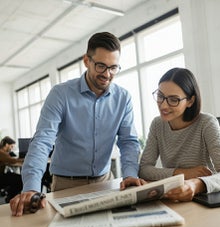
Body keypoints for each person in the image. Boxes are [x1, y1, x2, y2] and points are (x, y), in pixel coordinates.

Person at [10, 32, 143, 216]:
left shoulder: (123, 98)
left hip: (105, 180)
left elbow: (128, 141)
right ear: (86, 61)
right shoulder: (61, 94)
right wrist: (31, 187)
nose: (107, 74)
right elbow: (42, 141)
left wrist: (130, 175)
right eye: (101, 66)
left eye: (113, 67)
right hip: (66, 184)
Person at [139, 67, 220, 201]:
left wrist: (196, 184)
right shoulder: (157, 124)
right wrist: (182, 173)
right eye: (160, 97)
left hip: (206, 197)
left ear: (190, 101)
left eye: (173, 100)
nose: (163, 106)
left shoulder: (206, 123)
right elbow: (144, 169)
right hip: (174, 197)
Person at [0, 136, 23, 202]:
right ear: (7, 144)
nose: (12, 148)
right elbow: (13, 161)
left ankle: (10, 196)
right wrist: (26, 159)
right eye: (11, 146)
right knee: (20, 180)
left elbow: (9, 161)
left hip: (2, 175)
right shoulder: (2, 153)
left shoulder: (3, 153)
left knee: (12, 175)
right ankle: (10, 199)